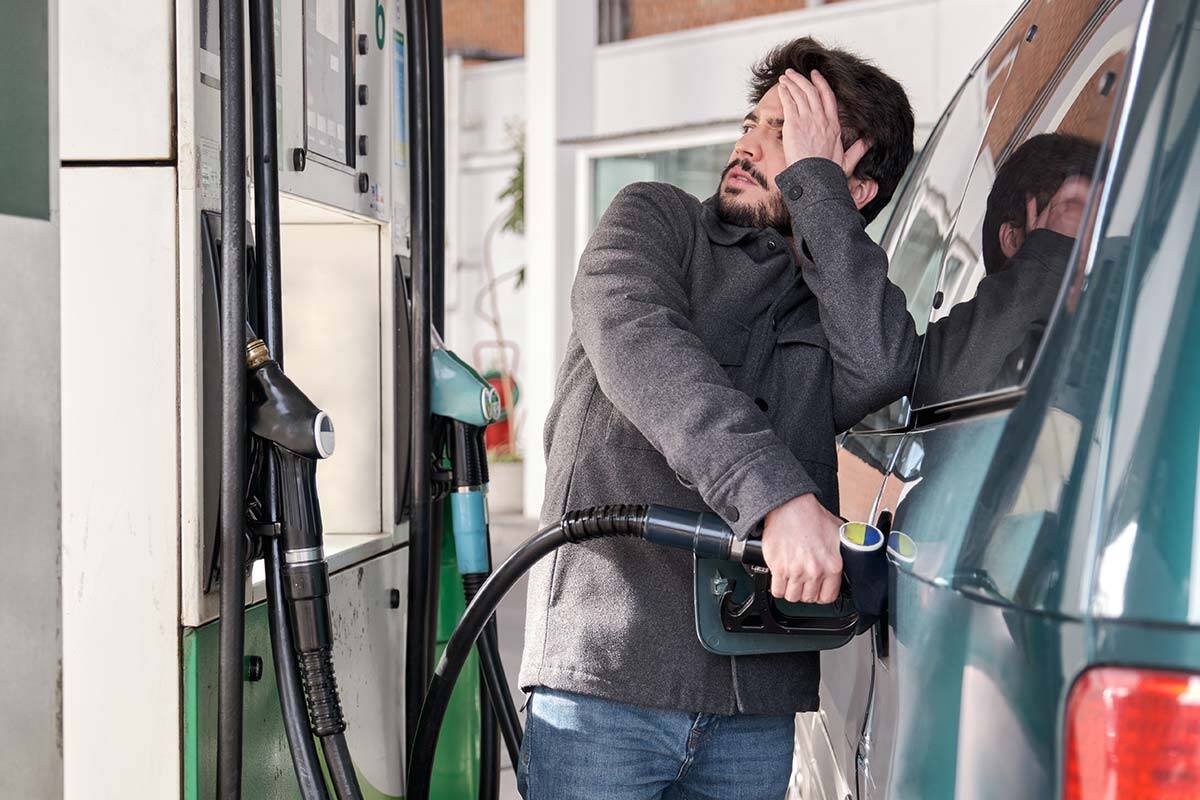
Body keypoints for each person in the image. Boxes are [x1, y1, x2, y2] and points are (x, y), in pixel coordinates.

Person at [517, 37, 918, 800]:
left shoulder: (833, 300)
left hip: (754, 700)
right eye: (753, 121)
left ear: (850, 185)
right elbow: (638, 338)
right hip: (606, 678)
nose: (749, 144)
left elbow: (884, 365)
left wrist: (814, 191)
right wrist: (777, 497)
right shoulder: (652, 218)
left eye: (785, 133)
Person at [918, 132, 1100, 405]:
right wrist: (1046, 256)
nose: (1090, 250)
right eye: (1073, 224)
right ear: (1014, 239)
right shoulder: (988, 357)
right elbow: (947, 393)